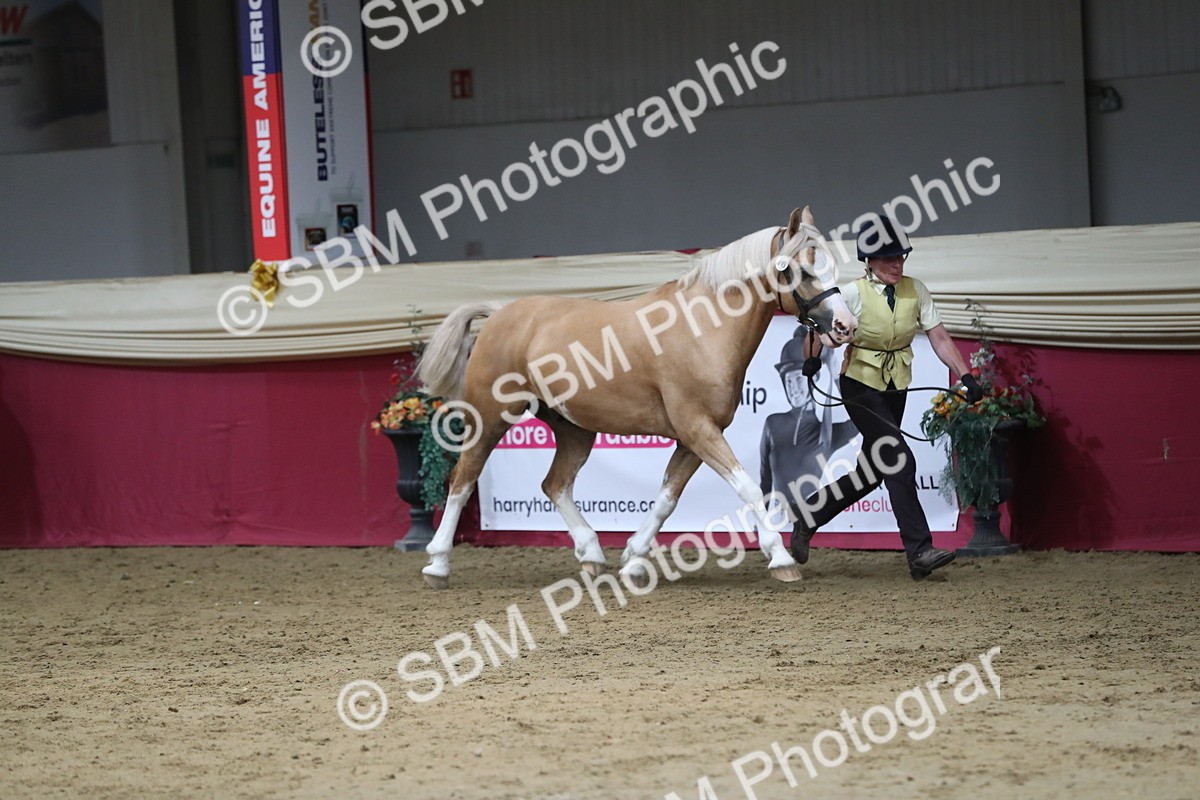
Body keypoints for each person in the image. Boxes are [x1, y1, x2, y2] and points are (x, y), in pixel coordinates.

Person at [789, 216, 984, 580]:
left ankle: (808, 515)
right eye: (889, 258)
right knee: (896, 458)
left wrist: (967, 376)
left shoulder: (916, 290)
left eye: (901, 257)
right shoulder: (851, 294)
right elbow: (816, 330)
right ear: (869, 260)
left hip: (896, 386)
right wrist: (812, 357)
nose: (898, 264)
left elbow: (939, 338)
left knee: (870, 473)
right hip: (860, 387)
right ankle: (919, 550)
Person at [759, 327, 859, 532]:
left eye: (798, 379)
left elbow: (859, 421)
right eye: (789, 381)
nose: (793, 387)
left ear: (811, 381)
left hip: (809, 517)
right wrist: (761, 520)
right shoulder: (772, 423)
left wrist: (834, 374)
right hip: (777, 520)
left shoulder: (825, 434)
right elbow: (765, 477)